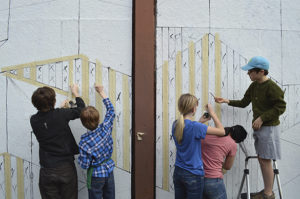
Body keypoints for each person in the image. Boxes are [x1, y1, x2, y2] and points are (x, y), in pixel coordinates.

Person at [214, 56, 286, 199]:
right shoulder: (254, 86)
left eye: (250, 71)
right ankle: (267, 191)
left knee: (265, 160)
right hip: (260, 130)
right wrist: (226, 101)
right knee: (262, 159)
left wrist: (262, 118)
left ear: (261, 72)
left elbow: (281, 106)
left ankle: (268, 193)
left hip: (269, 128)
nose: (248, 74)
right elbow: (244, 102)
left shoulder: (272, 87)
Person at [30, 84, 85, 199]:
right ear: (54, 101)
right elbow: (81, 110)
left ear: (35, 103)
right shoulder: (61, 114)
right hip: (66, 169)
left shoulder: (33, 120)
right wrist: (75, 93)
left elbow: (49, 121)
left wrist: (60, 111)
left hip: (46, 171)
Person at [172, 93, 226, 199]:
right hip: (193, 174)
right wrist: (212, 113)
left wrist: (201, 121)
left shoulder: (176, 124)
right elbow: (222, 131)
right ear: (193, 109)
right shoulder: (195, 127)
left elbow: (188, 132)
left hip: (178, 171)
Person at [78, 84, 116, 199]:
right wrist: (101, 92)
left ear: (83, 123)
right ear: (99, 118)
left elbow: (84, 164)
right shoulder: (106, 128)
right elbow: (111, 111)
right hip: (109, 170)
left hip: (96, 176)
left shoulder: (84, 142)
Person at [201, 125, 248, 199]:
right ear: (237, 139)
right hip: (213, 179)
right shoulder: (232, 144)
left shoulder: (210, 133)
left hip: (197, 177)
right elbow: (227, 166)